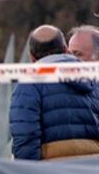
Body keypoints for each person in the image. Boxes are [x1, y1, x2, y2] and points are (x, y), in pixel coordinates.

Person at [10, 25, 99, 160]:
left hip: (52, 171)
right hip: (91, 171)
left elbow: (25, 137)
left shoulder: (29, 82)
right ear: (65, 50)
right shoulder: (93, 77)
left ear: (32, 58)